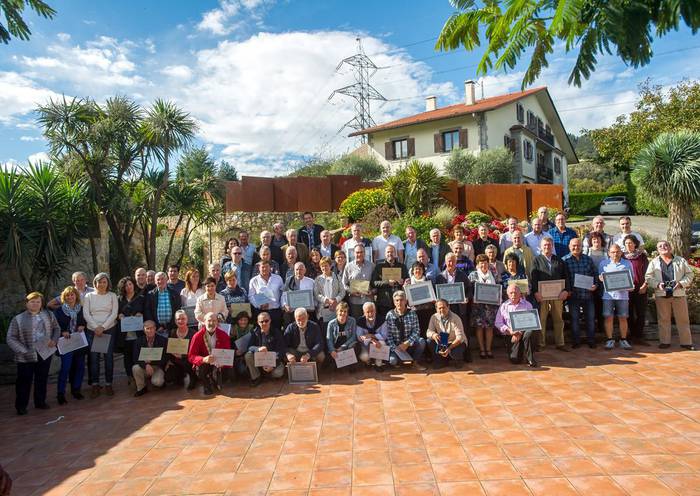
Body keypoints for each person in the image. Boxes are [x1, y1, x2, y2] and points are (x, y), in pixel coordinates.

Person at [7, 292, 61, 415]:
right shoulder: (18, 319)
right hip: (25, 355)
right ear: (27, 303)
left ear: (41, 303)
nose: (35, 304)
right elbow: (10, 338)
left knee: (41, 378)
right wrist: (23, 350)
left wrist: (54, 339)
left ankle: (40, 401)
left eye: (38, 301)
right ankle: (21, 406)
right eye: (32, 301)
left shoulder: (49, 315)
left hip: (44, 352)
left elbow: (56, 328)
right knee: (24, 381)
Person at [645, 241, 695, 350]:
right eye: (660, 246)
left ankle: (686, 343)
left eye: (666, 245)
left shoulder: (680, 260)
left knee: (683, 319)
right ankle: (665, 342)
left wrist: (681, 283)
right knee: (663, 319)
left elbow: (690, 274)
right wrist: (658, 284)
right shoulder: (654, 262)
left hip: (679, 294)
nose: (663, 247)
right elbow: (648, 277)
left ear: (670, 247)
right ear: (657, 250)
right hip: (662, 294)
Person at [531, 237, 570, 351]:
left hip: (558, 295)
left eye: (549, 245)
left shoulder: (559, 260)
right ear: (541, 247)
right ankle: (541, 343)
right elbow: (534, 278)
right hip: (542, 295)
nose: (547, 247)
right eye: (545, 245)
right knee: (542, 319)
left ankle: (560, 343)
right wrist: (536, 292)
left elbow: (566, 276)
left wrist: (566, 290)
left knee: (558, 319)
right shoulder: (536, 260)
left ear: (552, 246)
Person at [84, 273, 119, 398]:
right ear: (95, 283)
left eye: (104, 282)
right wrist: (96, 327)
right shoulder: (89, 296)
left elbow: (114, 313)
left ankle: (108, 384)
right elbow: (86, 314)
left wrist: (103, 327)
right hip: (93, 331)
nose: (102, 284)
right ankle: (95, 384)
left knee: (108, 358)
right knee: (94, 359)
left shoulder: (112, 296)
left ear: (108, 283)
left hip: (108, 329)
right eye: (99, 282)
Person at [562, 238, 598, 348]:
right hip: (573, 295)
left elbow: (595, 274)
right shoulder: (564, 260)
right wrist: (567, 290)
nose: (576, 247)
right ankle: (576, 341)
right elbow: (563, 277)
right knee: (574, 319)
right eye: (573, 245)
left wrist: (595, 285)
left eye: (578, 245)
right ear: (569, 246)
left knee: (590, 318)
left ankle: (591, 340)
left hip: (588, 294)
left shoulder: (588, 259)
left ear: (582, 247)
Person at [54, 286, 87, 404]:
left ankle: (76, 389)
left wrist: (83, 325)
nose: (70, 297)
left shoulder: (82, 309)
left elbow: (85, 321)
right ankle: (60, 393)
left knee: (80, 367)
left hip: (78, 342)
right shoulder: (59, 311)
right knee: (65, 368)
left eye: (72, 295)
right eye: (67, 295)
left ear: (76, 296)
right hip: (66, 343)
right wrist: (63, 331)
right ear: (64, 297)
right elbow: (55, 326)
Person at [435, 252, 471, 361]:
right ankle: (444, 355)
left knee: (462, 330)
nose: (451, 263)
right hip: (445, 308)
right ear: (445, 262)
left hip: (459, 307)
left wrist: (467, 298)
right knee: (445, 330)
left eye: (453, 261)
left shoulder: (463, 275)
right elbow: (436, 293)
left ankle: (466, 355)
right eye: (449, 261)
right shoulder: (440, 277)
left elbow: (469, 289)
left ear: (456, 262)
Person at [599, 244, 634, 350]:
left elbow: (631, 278)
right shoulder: (603, 263)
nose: (615, 254)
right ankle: (609, 340)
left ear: (621, 252)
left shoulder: (627, 263)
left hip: (623, 296)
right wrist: (601, 279)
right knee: (608, 317)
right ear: (609, 253)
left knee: (623, 317)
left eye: (617, 252)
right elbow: (600, 276)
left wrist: (630, 286)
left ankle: (623, 339)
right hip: (608, 296)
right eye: (613, 252)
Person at [188, 312, 232, 394]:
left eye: (214, 321)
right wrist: (203, 359)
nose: (212, 323)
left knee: (230, 374)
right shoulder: (197, 336)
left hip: (219, 363)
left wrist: (223, 362)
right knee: (201, 369)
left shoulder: (224, 335)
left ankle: (214, 379)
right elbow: (191, 356)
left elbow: (228, 352)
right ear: (204, 322)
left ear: (217, 322)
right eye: (209, 321)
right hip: (205, 363)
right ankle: (206, 385)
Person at [495, 285, 538, 367]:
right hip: (511, 334)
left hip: (525, 332)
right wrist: (510, 331)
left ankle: (530, 358)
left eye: (515, 292)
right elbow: (498, 323)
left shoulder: (527, 305)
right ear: (507, 294)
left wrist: (520, 332)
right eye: (511, 293)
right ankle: (522, 352)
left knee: (531, 332)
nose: (513, 295)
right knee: (515, 360)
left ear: (520, 294)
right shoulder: (504, 306)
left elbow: (532, 321)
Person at [468, 254, 501, 359]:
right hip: (478, 307)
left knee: (489, 328)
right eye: (481, 263)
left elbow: (498, 288)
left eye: (486, 263)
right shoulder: (473, 275)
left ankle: (488, 349)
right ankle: (482, 350)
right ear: (477, 265)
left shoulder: (494, 274)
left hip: (491, 307)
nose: (484, 265)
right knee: (479, 328)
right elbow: (469, 289)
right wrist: (472, 297)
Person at [385, 291, 426, 370]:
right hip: (396, 346)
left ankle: (415, 362)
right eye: (397, 300)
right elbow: (388, 335)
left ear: (405, 301)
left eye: (401, 300)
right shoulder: (389, 315)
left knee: (421, 341)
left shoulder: (412, 313)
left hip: (409, 344)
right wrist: (395, 348)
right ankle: (400, 361)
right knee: (392, 361)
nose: (399, 302)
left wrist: (407, 343)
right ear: (394, 302)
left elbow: (416, 331)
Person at [117, 276, 145, 387]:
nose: (128, 287)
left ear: (134, 285)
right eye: (126, 286)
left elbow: (146, 310)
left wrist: (141, 314)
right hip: (125, 334)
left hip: (138, 333)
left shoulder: (141, 298)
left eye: (130, 284)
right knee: (127, 357)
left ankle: (140, 377)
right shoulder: (119, 299)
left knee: (138, 355)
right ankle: (130, 377)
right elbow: (115, 313)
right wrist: (118, 315)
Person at [245, 311, 286, 387]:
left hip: (273, 361)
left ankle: (268, 374)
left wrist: (272, 364)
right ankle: (256, 377)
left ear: (270, 320)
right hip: (259, 361)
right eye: (261, 321)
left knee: (278, 373)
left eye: (266, 321)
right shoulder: (254, 332)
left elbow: (281, 351)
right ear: (258, 322)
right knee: (248, 355)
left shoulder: (276, 332)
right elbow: (249, 347)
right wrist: (258, 349)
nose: (264, 323)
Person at [623, 234, 650, 345]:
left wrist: (645, 285)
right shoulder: (622, 257)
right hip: (627, 289)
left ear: (635, 244)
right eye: (626, 243)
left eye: (630, 243)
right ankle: (632, 334)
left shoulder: (642, 256)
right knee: (628, 313)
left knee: (640, 313)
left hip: (640, 288)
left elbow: (649, 272)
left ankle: (639, 335)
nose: (628, 245)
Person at [427, 299, 467, 369]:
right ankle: (442, 361)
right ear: (436, 309)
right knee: (429, 341)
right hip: (443, 342)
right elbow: (428, 332)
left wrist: (449, 348)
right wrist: (434, 335)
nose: (442, 310)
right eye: (439, 308)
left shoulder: (456, 318)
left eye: (444, 307)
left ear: (448, 307)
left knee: (455, 353)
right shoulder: (434, 317)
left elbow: (460, 338)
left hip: (456, 342)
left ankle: (458, 360)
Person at [371, 245, 409, 317]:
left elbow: (407, 280)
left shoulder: (402, 266)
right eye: (388, 252)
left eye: (392, 252)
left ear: (395, 253)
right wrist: (387, 282)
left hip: (399, 303)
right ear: (385, 254)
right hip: (384, 303)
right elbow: (373, 283)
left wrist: (404, 281)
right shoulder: (379, 267)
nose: (390, 254)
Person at [132, 320, 167, 397]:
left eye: (152, 328)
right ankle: (141, 388)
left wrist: (152, 362)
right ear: (143, 329)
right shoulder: (138, 341)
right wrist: (146, 365)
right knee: (135, 368)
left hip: (158, 366)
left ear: (155, 328)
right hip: (144, 367)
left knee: (157, 382)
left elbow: (165, 358)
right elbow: (135, 358)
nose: (150, 330)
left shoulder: (163, 340)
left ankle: (162, 382)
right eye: (147, 328)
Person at [145, 271, 182, 339]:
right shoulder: (150, 294)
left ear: (167, 280)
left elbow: (178, 309)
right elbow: (148, 311)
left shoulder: (174, 294)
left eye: (162, 279)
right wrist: (157, 326)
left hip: (172, 328)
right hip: (156, 329)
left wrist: (170, 325)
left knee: (170, 348)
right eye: (158, 280)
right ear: (155, 282)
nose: (160, 281)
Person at [249, 260, 284, 330]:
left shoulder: (278, 278)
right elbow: (251, 296)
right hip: (260, 312)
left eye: (267, 267)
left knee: (276, 333)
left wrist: (283, 305)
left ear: (270, 268)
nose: (265, 269)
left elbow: (283, 294)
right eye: (263, 267)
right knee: (261, 334)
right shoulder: (254, 280)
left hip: (275, 311)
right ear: (259, 268)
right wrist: (259, 305)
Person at [166, 310, 196, 390]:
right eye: (178, 319)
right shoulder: (172, 333)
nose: (181, 321)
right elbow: (169, 348)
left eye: (183, 318)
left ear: (187, 319)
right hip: (175, 360)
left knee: (186, 362)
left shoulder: (193, 333)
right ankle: (180, 377)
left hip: (189, 360)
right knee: (168, 377)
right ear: (175, 321)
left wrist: (182, 355)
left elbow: (195, 351)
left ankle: (193, 378)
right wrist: (171, 355)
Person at [343, 244, 375, 319]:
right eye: (357, 252)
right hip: (355, 302)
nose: (359, 254)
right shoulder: (348, 266)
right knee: (356, 324)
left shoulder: (372, 266)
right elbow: (343, 284)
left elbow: (376, 284)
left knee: (369, 323)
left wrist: (372, 291)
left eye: (361, 252)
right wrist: (351, 291)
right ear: (354, 253)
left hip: (368, 301)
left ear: (365, 253)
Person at [314, 256, 346, 331]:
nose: (324, 268)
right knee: (324, 331)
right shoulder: (318, 279)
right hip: (323, 310)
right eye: (322, 266)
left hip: (336, 309)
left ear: (330, 266)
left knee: (336, 331)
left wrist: (335, 300)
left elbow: (342, 291)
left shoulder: (337, 277)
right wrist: (327, 300)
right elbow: (316, 294)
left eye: (326, 266)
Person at [326, 302, 358, 370]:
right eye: (341, 311)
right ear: (337, 311)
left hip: (347, 345)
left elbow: (353, 336)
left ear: (347, 312)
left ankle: (351, 364)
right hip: (336, 347)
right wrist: (332, 350)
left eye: (345, 311)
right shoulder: (331, 324)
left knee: (355, 346)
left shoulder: (352, 321)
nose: (343, 313)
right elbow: (329, 339)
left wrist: (343, 347)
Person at [356, 302, 388, 370]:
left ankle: (378, 364)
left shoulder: (382, 320)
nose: (370, 314)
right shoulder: (360, 321)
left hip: (378, 343)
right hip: (366, 344)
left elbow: (384, 336)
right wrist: (372, 340)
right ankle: (368, 362)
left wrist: (371, 336)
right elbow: (359, 337)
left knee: (382, 343)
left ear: (375, 311)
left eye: (372, 311)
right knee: (364, 356)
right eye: (367, 312)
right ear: (364, 312)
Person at [407, 261, 435, 336]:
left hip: (428, 310)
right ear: (412, 271)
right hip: (415, 312)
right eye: (416, 269)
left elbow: (434, 295)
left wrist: (433, 300)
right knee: (417, 332)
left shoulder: (429, 281)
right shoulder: (408, 283)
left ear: (423, 271)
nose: (418, 271)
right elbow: (405, 298)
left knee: (427, 331)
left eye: (420, 269)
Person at [230, 312, 254, 379]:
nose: (243, 322)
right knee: (241, 371)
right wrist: (235, 352)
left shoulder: (252, 329)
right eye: (241, 320)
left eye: (245, 320)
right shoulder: (233, 331)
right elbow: (229, 346)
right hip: (238, 356)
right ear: (237, 321)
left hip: (249, 354)